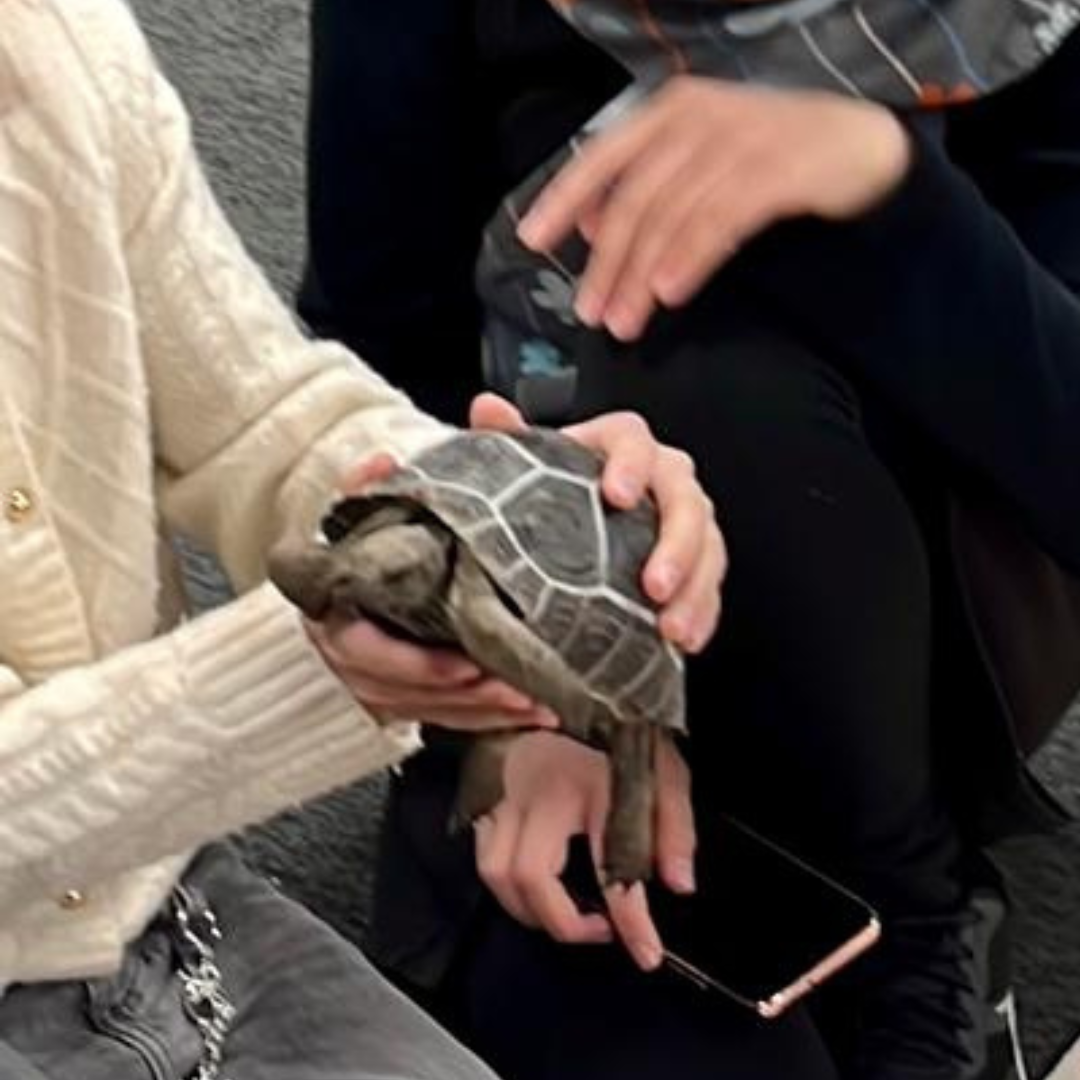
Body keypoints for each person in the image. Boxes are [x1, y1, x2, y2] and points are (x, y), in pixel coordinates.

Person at [301, 2, 1080, 1078]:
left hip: (936, 624)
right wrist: (515, 700)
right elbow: (373, 384)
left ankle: (916, 908)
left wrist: (890, 189)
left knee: (715, 365)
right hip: (544, 618)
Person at [0, 3, 726, 1079]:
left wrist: (496, 500)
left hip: (148, 889)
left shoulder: (45, 38)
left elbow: (257, 410)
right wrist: (332, 662)